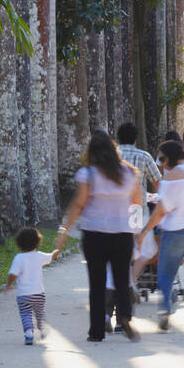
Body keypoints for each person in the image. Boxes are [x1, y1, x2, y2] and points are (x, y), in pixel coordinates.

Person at [55, 131, 144, 342]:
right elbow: (137, 203)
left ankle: (96, 331)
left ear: (92, 152)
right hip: (122, 234)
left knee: (97, 283)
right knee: (122, 279)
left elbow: (79, 203)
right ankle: (124, 317)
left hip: (95, 234)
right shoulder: (128, 173)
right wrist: (137, 232)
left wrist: (64, 230)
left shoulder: (88, 174)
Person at [137, 140, 184, 332]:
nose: (160, 163)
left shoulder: (169, 180)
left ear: (169, 157)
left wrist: (145, 231)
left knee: (165, 273)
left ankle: (164, 310)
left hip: (176, 231)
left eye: (161, 159)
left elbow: (161, 211)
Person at [5, 227, 62, 345]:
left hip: (23, 294)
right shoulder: (39, 255)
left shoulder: (18, 258)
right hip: (39, 293)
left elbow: (13, 274)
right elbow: (52, 256)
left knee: (25, 314)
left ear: (18, 243)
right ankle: (42, 328)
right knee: (39, 313)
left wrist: (8, 285)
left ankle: (29, 332)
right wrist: (59, 247)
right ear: (38, 242)